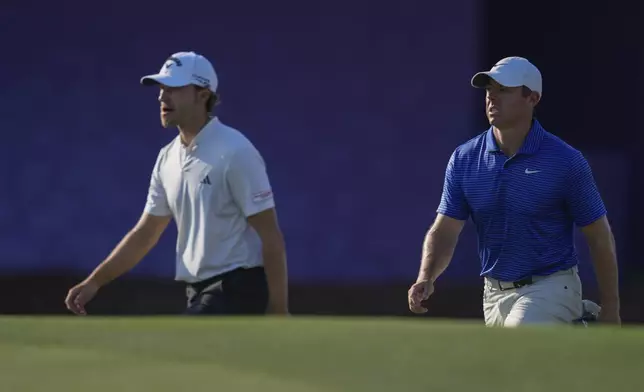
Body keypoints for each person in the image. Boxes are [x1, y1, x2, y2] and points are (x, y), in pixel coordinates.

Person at [65, 51, 289, 316]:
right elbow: (146, 232)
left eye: (174, 88)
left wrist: (278, 308)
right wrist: (95, 282)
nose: (162, 97)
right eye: (161, 89)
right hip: (198, 292)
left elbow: (270, 235)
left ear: (203, 95)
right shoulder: (167, 157)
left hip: (237, 288)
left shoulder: (236, 151)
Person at [407, 56, 620, 326]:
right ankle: (576, 327)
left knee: (519, 337)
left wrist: (612, 306)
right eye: (489, 90)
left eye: (504, 90)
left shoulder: (565, 161)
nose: (492, 98)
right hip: (493, 295)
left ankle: (572, 317)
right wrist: (426, 277)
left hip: (551, 286)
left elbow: (599, 236)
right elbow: (446, 228)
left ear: (532, 98)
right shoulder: (464, 158)